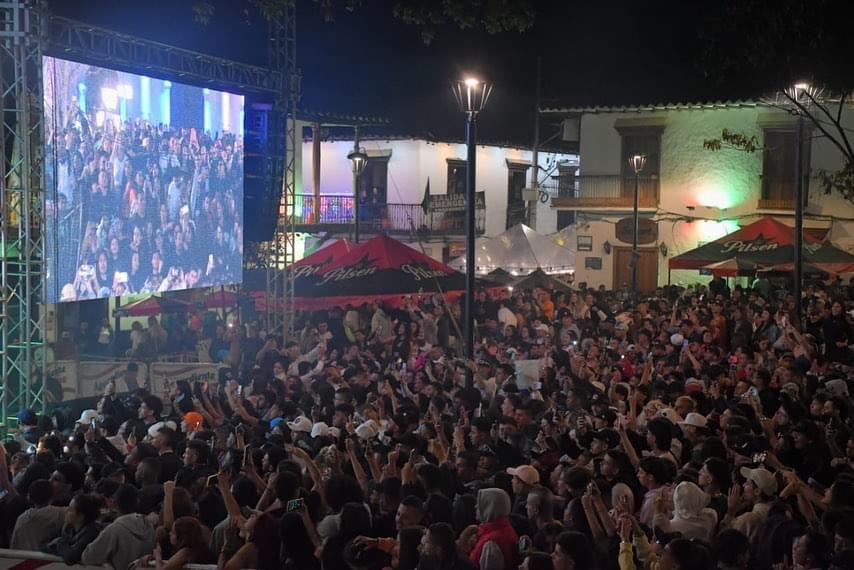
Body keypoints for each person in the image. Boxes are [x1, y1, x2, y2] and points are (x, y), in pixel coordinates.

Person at [81, 484, 156, 570]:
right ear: (137, 502)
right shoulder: (148, 524)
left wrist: (106, 562)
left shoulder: (115, 529)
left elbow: (87, 557)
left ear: (114, 502)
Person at [10, 478, 66, 550]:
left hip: (23, 558)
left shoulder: (21, 519)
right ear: (52, 496)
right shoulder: (60, 514)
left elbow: (14, 545)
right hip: (47, 559)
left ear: (29, 497)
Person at [49, 493, 103, 565]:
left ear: (81, 516)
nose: (66, 511)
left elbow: (71, 557)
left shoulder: (92, 532)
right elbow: (46, 546)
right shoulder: (67, 528)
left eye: (70, 509)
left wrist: (60, 542)